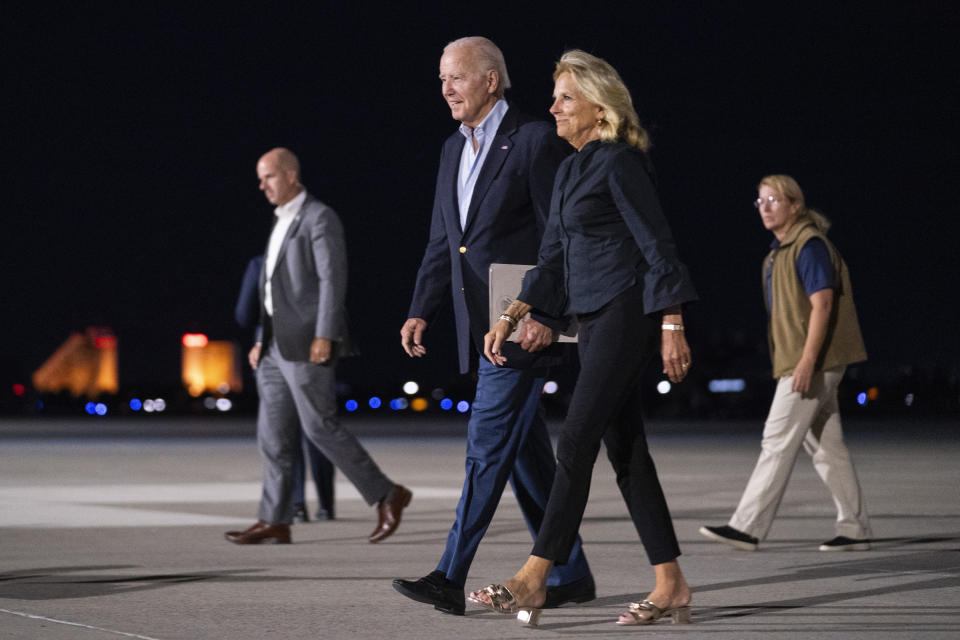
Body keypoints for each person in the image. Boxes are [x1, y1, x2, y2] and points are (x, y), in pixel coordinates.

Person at [470, 49, 698, 628]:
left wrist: (672, 321)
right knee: (627, 455)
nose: (553, 108)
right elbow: (551, 258)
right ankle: (670, 583)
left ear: (601, 107)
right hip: (592, 321)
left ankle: (534, 578)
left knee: (573, 442)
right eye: (555, 97)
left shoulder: (621, 162)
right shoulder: (572, 169)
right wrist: (512, 315)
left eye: (566, 98)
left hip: (628, 312)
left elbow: (657, 244)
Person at [392, 37, 595, 616]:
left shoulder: (533, 140)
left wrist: (550, 316)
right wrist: (420, 308)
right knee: (525, 455)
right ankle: (572, 573)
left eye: (455, 77)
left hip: (522, 326)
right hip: (477, 324)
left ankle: (448, 576)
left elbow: (563, 237)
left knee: (485, 449)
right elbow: (444, 240)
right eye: (440, 79)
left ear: (490, 80)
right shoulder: (452, 150)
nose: (445, 89)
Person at [225, 147, 411, 545]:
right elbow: (271, 293)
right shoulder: (279, 221)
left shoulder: (319, 217)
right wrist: (261, 339)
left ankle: (386, 493)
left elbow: (332, 280)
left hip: (309, 342)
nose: (262, 186)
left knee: (319, 426)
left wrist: (325, 334)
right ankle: (274, 519)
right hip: (274, 347)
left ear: (291, 175)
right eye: (260, 178)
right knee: (271, 437)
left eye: (269, 177)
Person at [699, 175, 872, 552]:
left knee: (776, 441)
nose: (764, 207)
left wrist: (807, 361)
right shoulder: (780, 252)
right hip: (807, 360)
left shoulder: (808, 246)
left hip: (811, 362)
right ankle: (854, 527)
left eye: (773, 200)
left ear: (795, 205)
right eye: (759, 201)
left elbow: (823, 305)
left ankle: (747, 526)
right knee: (827, 448)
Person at [235, 254, 336, 522]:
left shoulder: (259, 264)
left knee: (284, 431)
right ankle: (326, 505)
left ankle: (296, 504)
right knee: (319, 428)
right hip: (317, 349)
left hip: (275, 351)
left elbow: (244, 314)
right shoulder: (318, 263)